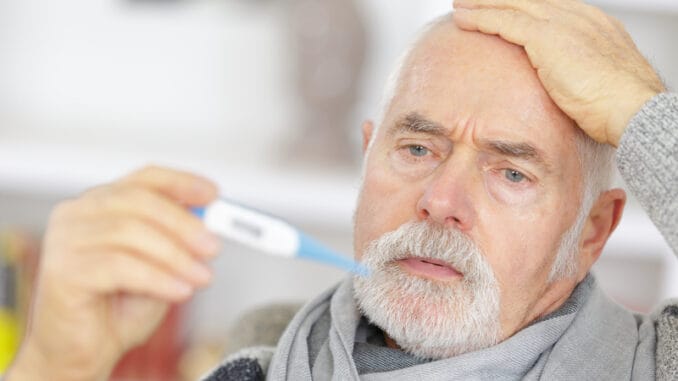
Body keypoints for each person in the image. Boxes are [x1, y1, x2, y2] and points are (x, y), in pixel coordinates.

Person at [5, 1, 677, 380]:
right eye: (417, 147)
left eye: (512, 172)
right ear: (366, 159)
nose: (441, 199)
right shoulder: (254, 366)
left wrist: (643, 112)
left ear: (592, 231)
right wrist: (58, 362)